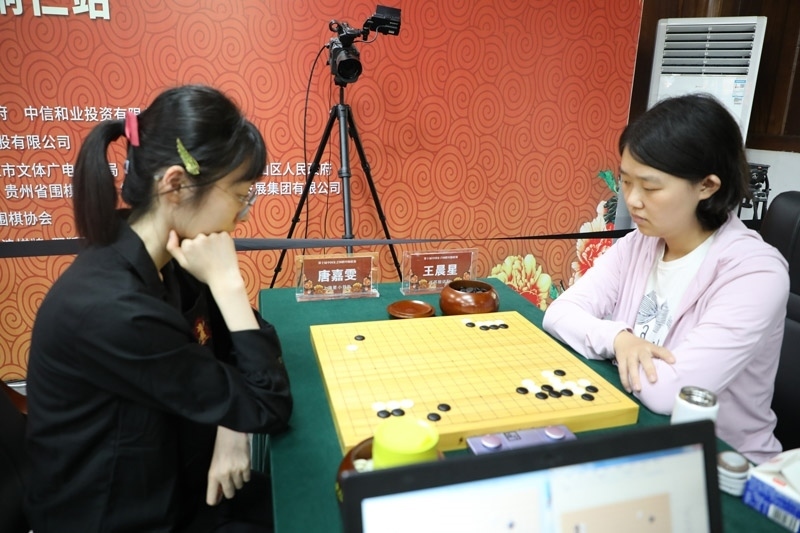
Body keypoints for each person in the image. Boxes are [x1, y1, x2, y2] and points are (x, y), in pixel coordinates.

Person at [25, 85, 293, 532]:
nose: (244, 215)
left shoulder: (168, 258)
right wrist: (228, 285)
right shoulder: (113, 309)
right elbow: (267, 404)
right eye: (240, 195)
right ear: (176, 184)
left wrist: (231, 424)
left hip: (179, 474)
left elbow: (243, 360)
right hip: (129, 516)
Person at [542, 93, 789, 465]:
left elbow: (668, 393)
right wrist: (619, 339)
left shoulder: (756, 274)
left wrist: (606, 343)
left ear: (707, 186)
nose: (633, 200)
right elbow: (560, 314)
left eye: (650, 187)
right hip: (643, 441)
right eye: (626, 182)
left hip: (724, 463)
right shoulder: (641, 243)